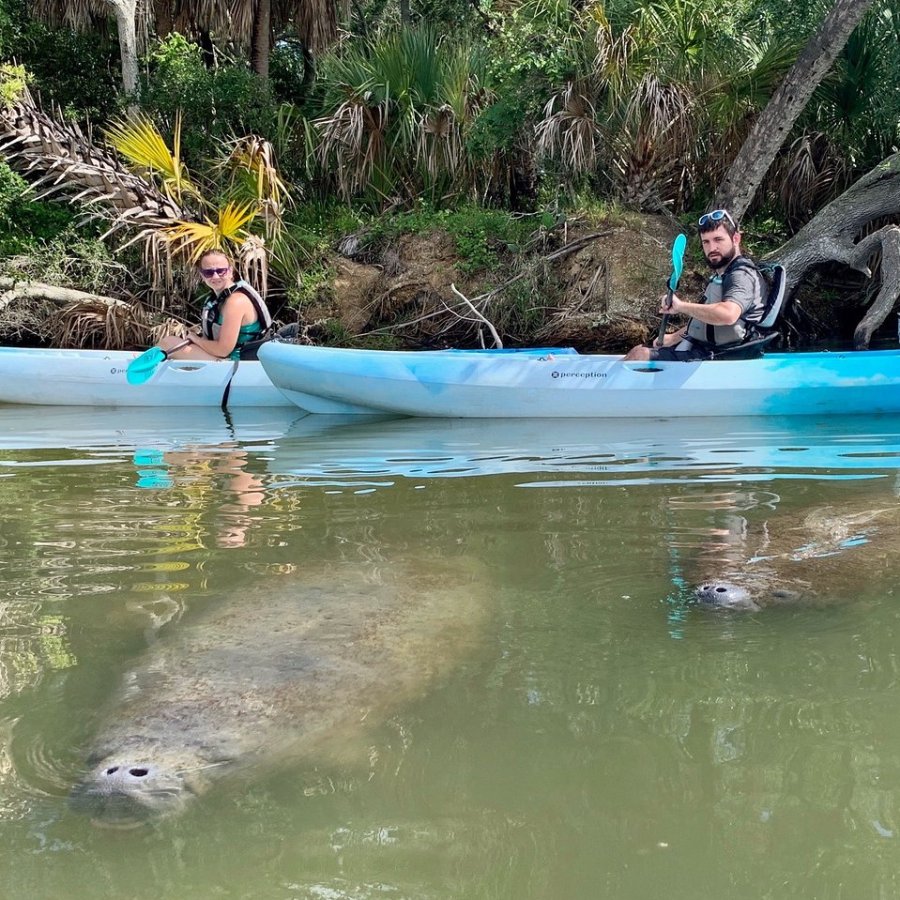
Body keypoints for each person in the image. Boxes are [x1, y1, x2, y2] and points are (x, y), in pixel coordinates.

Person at [624, 209, 768, 361]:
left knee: (639, 356)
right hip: (709, 348)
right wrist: (674, 337)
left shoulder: (741, 276)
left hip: (729, 355)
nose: (712, 248)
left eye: (718, 239)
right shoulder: (722, 275)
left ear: (736, 239)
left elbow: (728, 314)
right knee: (639, 350)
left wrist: (680, 307)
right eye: (706, 241)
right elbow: (706, 321)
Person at [157, 249, 273, 361]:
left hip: (237, 364)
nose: (215, 276)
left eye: (220, 271)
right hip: (225, 360)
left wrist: (196, 339)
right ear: (202, 275)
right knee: (169, 342)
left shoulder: (235, 301)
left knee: (168, 344)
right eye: (209, 272)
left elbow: (223, 350)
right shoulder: (216, 299)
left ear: (230, 271)